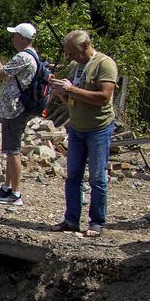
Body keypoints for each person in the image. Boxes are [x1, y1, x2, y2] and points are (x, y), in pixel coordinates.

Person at [49, 29, 118, 237]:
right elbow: (72, 99)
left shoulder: (104, 64)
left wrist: (71, 90)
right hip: (77, 127)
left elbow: (104, 97)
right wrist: (60, 92)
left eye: (72, 53)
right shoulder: (75, 67)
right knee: (73, 177)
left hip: (98, 128)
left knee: (97, 177)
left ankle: (97, 222)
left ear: (85, 46)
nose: (70, 58)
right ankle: (71, 220)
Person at [0, 22, 42, 207]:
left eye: (15, 35)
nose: (13, 38)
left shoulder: (23, 56)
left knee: (13, 150)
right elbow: (7, 74)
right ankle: (7, 187)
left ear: (22, 38)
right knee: (9, 150)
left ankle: (15, 193)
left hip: (15, 110)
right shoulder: (30, 56)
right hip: (14, 109)